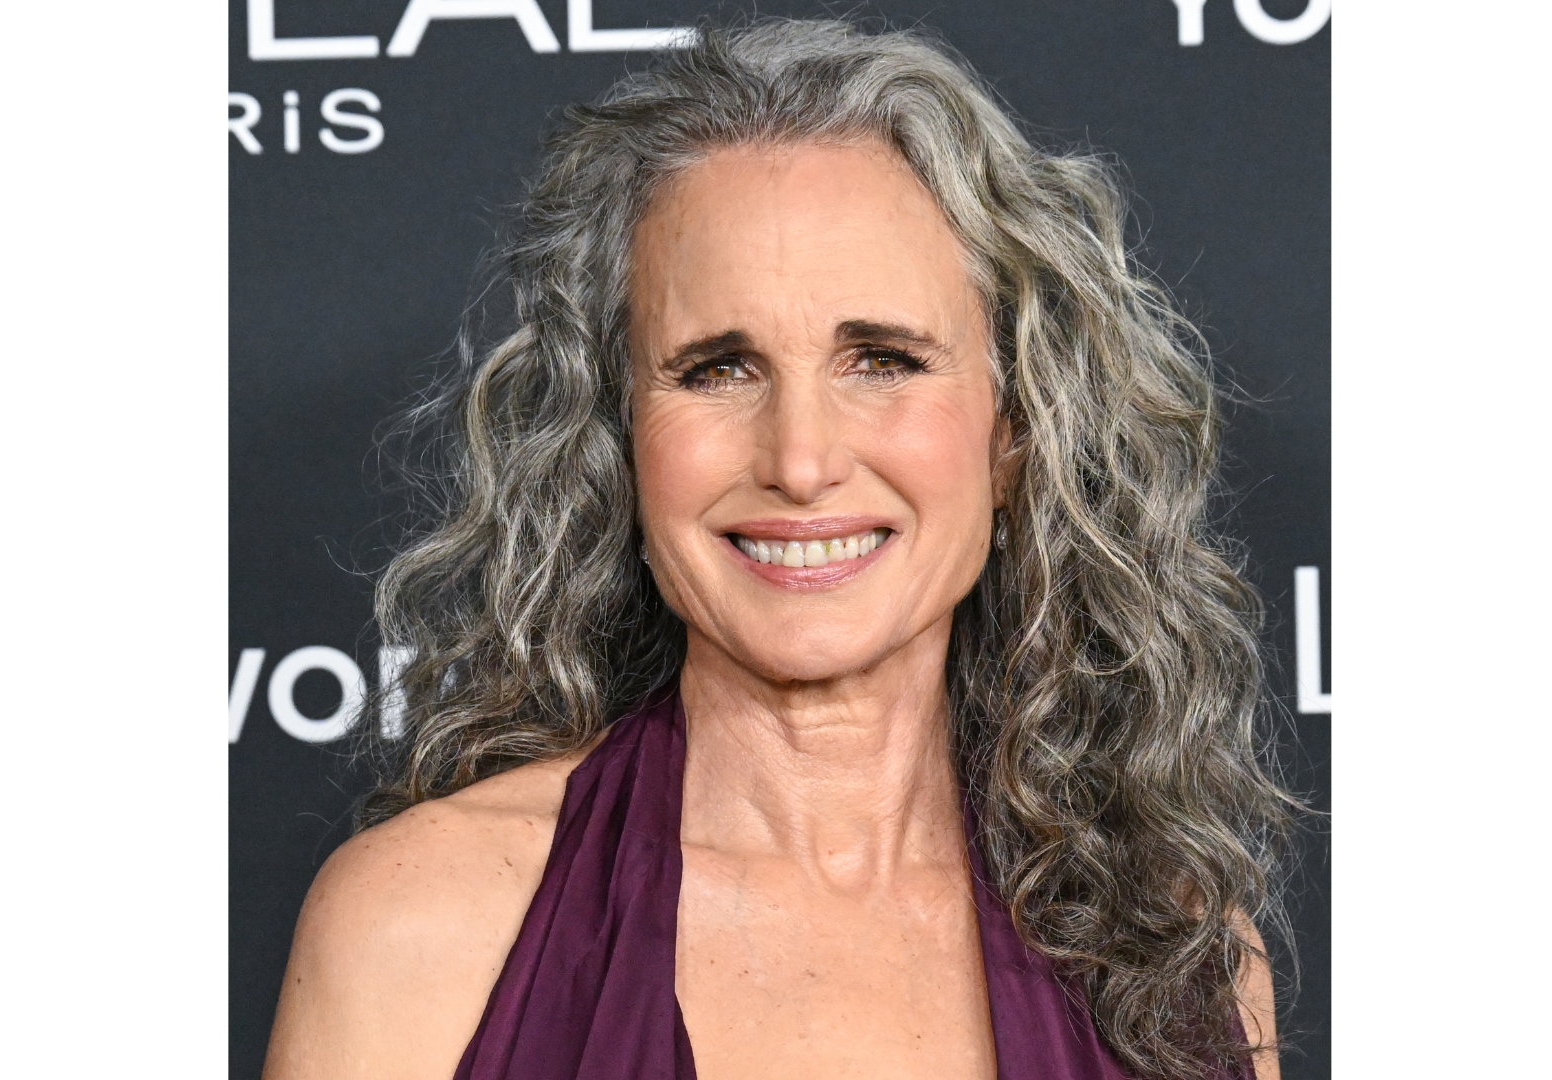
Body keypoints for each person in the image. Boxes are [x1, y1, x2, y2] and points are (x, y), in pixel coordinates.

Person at [264, 18, 1292, 1080]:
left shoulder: (1171, 953)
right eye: (716, 369)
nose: (801, 461)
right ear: (618, 440)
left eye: (883, 360)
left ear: (1015, 435)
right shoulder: (423, 930)